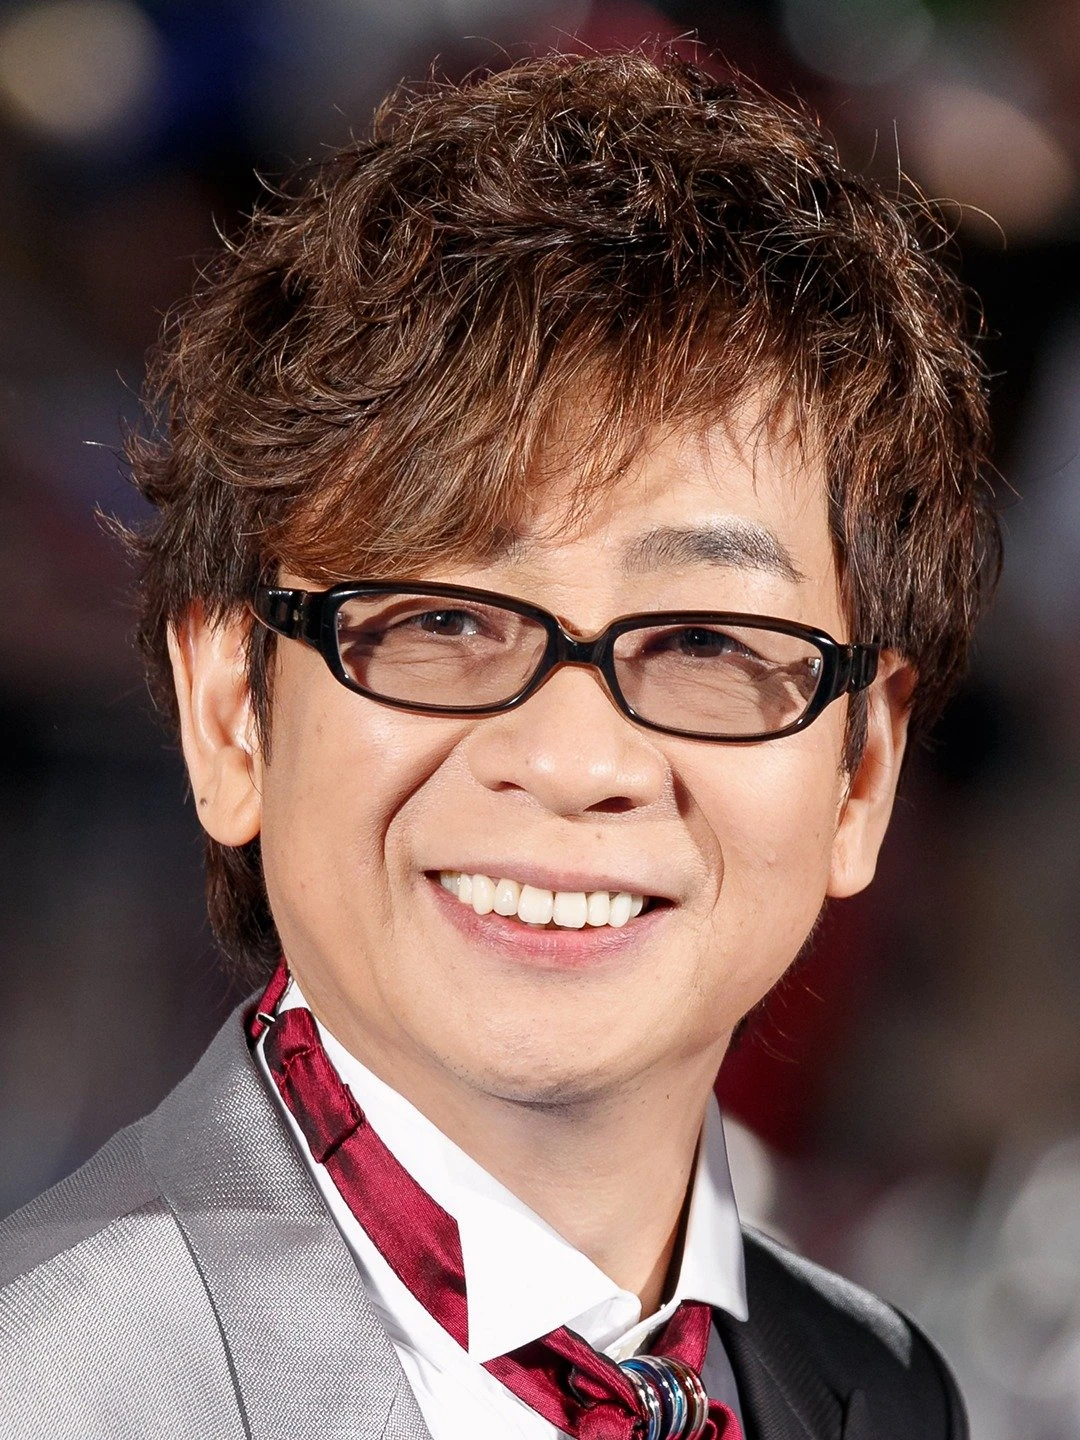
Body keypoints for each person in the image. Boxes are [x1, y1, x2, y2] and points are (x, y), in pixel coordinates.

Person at [0, 49, 998, 1440]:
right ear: (231, 707)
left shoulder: (875, 1391)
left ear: (862, 774)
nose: (575, 758)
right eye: (442, 621)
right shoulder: (52, 1387)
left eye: (707, 641)